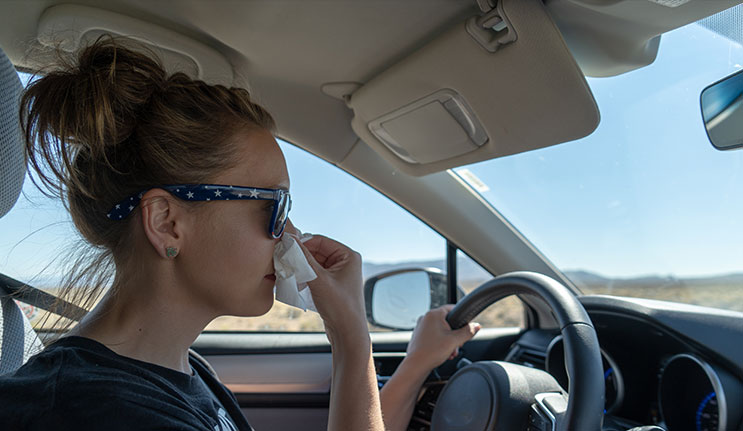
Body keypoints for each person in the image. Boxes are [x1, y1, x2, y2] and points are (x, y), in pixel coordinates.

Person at [0, 36, 480, 430]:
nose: (290, 236)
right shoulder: (97, 413)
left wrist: (355, 340)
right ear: (167, 222)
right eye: (275, 207)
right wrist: (353, 339)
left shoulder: (178, 372)